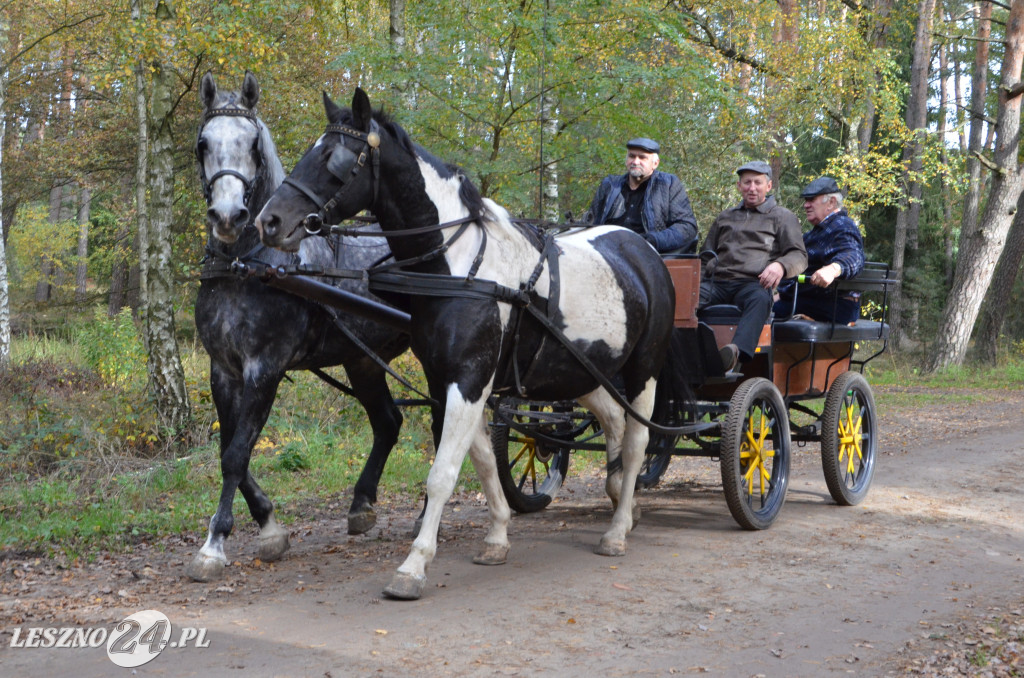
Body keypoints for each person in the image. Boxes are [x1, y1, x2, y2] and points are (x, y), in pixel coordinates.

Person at [700, 161, 807, 371]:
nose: (752, 187)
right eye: (747, 182)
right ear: (739, 186)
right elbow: (704, 256)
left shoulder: (782, 217)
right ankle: (682, 353)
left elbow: (799, 255)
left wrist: (780, 266)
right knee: (686, 300)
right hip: (717, 283)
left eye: (757, 182)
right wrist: (697, 280)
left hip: (753, 284)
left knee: (759, 298)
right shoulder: (725, 217)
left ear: (768, 186)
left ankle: (734, 354)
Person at [773, 176, 865, 324]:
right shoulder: (816, 232)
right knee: (758, 305)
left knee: (758, 315)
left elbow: (854, 256)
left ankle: (741, 347)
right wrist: (781, 295)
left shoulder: (842, 226)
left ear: (831, 202)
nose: (806, 205)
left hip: (833, 306)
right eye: (805, 201)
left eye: (811, 200)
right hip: (810, 301)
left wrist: (833, 269)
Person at [586, 137, 698, 253]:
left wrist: (653, 240)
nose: (635, 161)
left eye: (642, 157)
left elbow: (687, 227)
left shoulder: (669, 185)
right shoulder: (609, 185)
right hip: (607, 252)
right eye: (632, 156)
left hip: (648, 257)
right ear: (626, 160)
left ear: (655, 163)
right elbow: (591, 222)